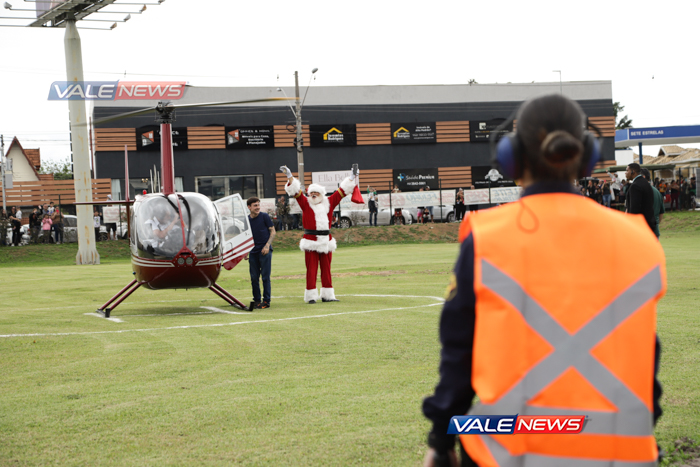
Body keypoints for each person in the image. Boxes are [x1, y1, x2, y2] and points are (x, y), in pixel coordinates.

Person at [422, 94, 666, 467]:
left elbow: (460, 351)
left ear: (511, 157)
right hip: (623, 455)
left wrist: (441, 440)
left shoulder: (488, 237)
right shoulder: (639, 240)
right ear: (585, 155)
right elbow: (645, 352)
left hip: (507, 453)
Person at [281, 164, 357, 303]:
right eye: (311, 193)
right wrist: (289, 176)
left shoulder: (329, 203)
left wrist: (352, 178)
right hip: (311, 240)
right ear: (308, 194)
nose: (313, 195)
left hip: (326, 240)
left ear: (322, 195)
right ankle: (311, 296)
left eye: (316, 193)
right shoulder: (305, 203)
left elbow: (341, 191)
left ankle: (328, 296)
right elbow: (296, 191)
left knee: (326, 269)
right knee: (311, 270)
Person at [244, 197, 275, 309]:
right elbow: (246, 237)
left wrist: (267, 246)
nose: (257, 207)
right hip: (253, 252)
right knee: (254, 278)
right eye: (255, 205)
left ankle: (266, 301)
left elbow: (273, 231)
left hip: (264, 251)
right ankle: (257, 300)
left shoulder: (264, 216)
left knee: (265, 277)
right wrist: (245, 251)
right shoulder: (246, 220)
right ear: (249, 207)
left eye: (258, 205)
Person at [625, 163, 657, 233]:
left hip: (640, 227)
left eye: (627, 170)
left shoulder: (635, 186)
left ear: (633, 171)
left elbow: (634, 209)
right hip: (649, 224)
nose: (625, 173)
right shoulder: (646, 183)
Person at [642, 168, 665, 238]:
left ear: (643, 177)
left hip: (642, 231)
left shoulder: (639, 190)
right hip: (655, 230)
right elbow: (661, 212)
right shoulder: (657, 192)